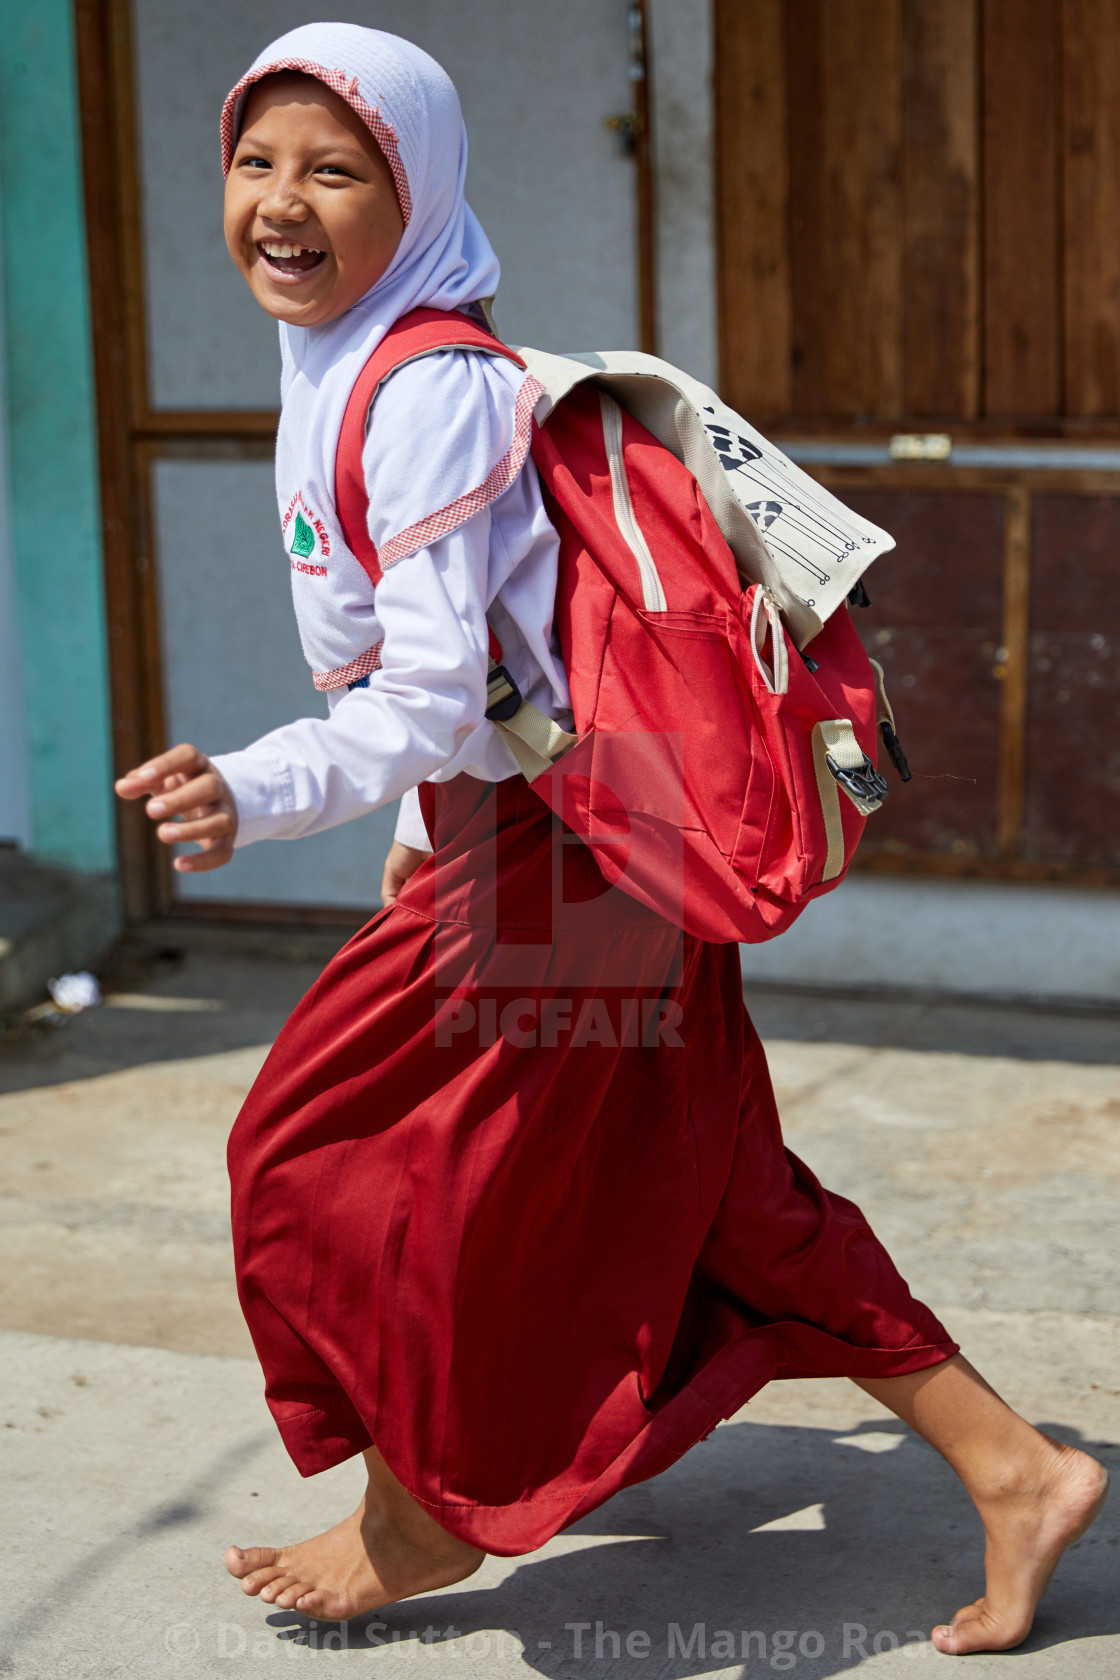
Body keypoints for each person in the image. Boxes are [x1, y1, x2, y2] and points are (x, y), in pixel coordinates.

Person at [115, 22, 1106, 1652]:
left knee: (322, 1152)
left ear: (416, 190)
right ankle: (1014, 1472)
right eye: (255, 161)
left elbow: (436, 690)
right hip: (563, 832)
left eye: (335, 170)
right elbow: (487, 658)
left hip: (577, 851)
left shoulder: (421, 384)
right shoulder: (356, 357)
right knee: (714, 1188)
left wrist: (266, 783)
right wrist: (436, 834)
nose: (282, 203)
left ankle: (421, 1519)